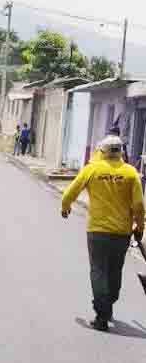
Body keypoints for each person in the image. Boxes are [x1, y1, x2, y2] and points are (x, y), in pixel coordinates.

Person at [61, 135, 145, 332]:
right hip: (121, 233)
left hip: (97, 231)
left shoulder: (92, 169)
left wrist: (65, 207)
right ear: (121, 151)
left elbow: (70, 192)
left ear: (103, 151)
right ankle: (109, 304)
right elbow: (140, 206)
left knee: (98, 271)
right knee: (115, 271)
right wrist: (139, 228)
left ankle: (101, 314)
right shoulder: (131, 173)